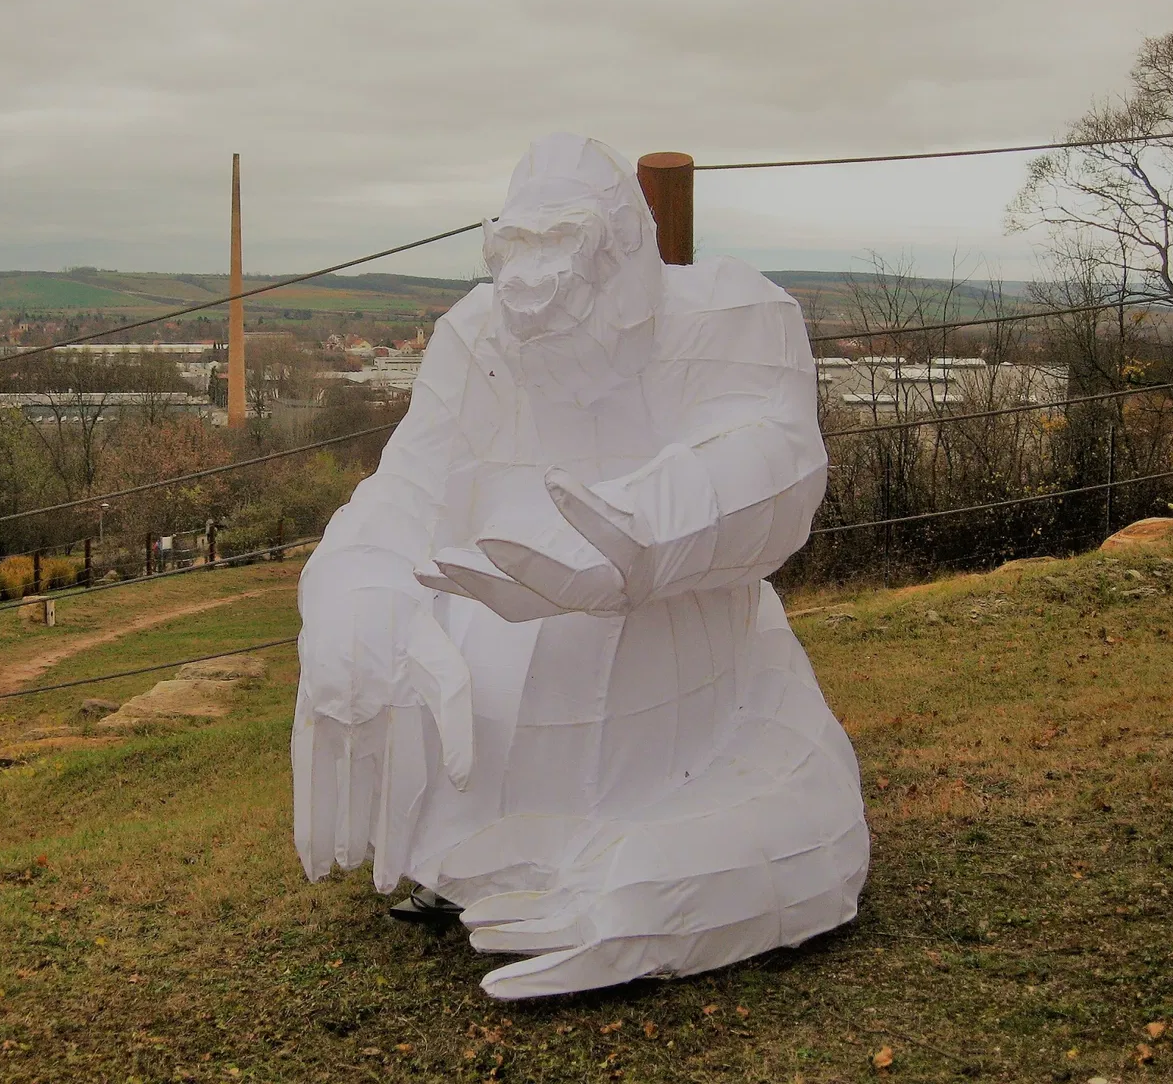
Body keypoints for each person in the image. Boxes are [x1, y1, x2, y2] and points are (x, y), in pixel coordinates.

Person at [293, 134, 868, 999]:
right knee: (366, 607)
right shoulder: (475, 335)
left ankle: (599, 875)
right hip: (470, 771)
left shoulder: (731, 314)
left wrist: (649, 527)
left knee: (700, 856)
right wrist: (351, 599)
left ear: (622, 250)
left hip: (698, 724)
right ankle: (455, 863)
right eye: (514, 251)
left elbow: (774, 456)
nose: (531, 291)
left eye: (561, 246)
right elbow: (404, 492)